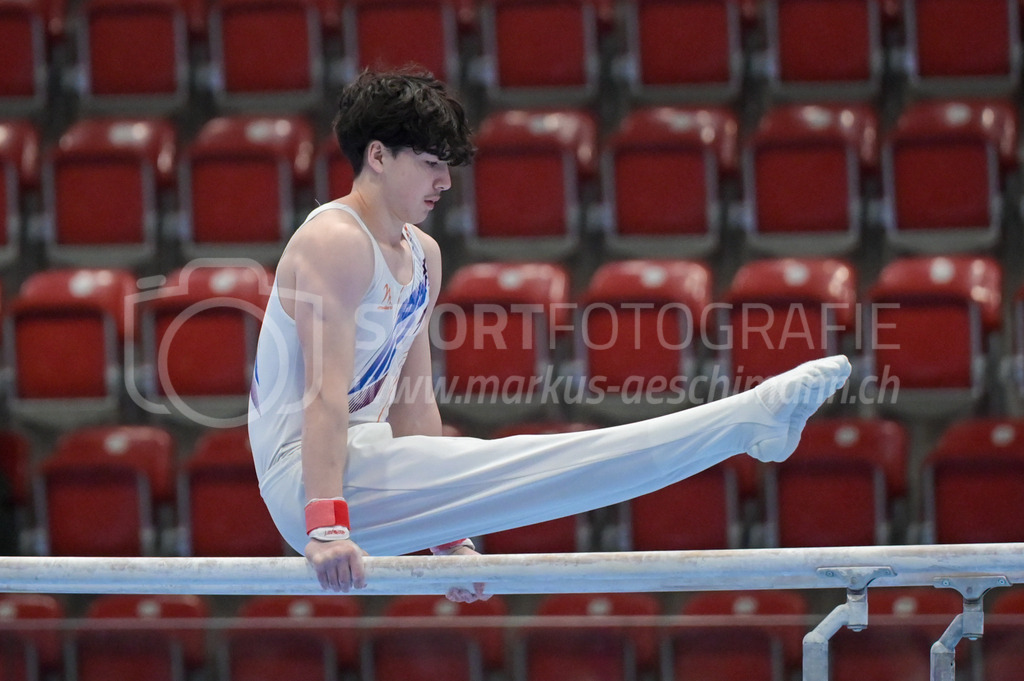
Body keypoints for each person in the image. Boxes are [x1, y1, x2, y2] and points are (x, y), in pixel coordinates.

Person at [247, 68, 853, 603]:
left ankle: (748, 426)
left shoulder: (423, 256)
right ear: (377, 155)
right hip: (305, 476)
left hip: (367, 467)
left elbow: (412, 403)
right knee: (550, 460)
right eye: (430, 164)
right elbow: (324, 395)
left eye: (448, 167)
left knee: (542, 472)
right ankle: (748, 422)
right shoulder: (334, 240)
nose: (445, 183)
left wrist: (444, 539)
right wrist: (325, 524)